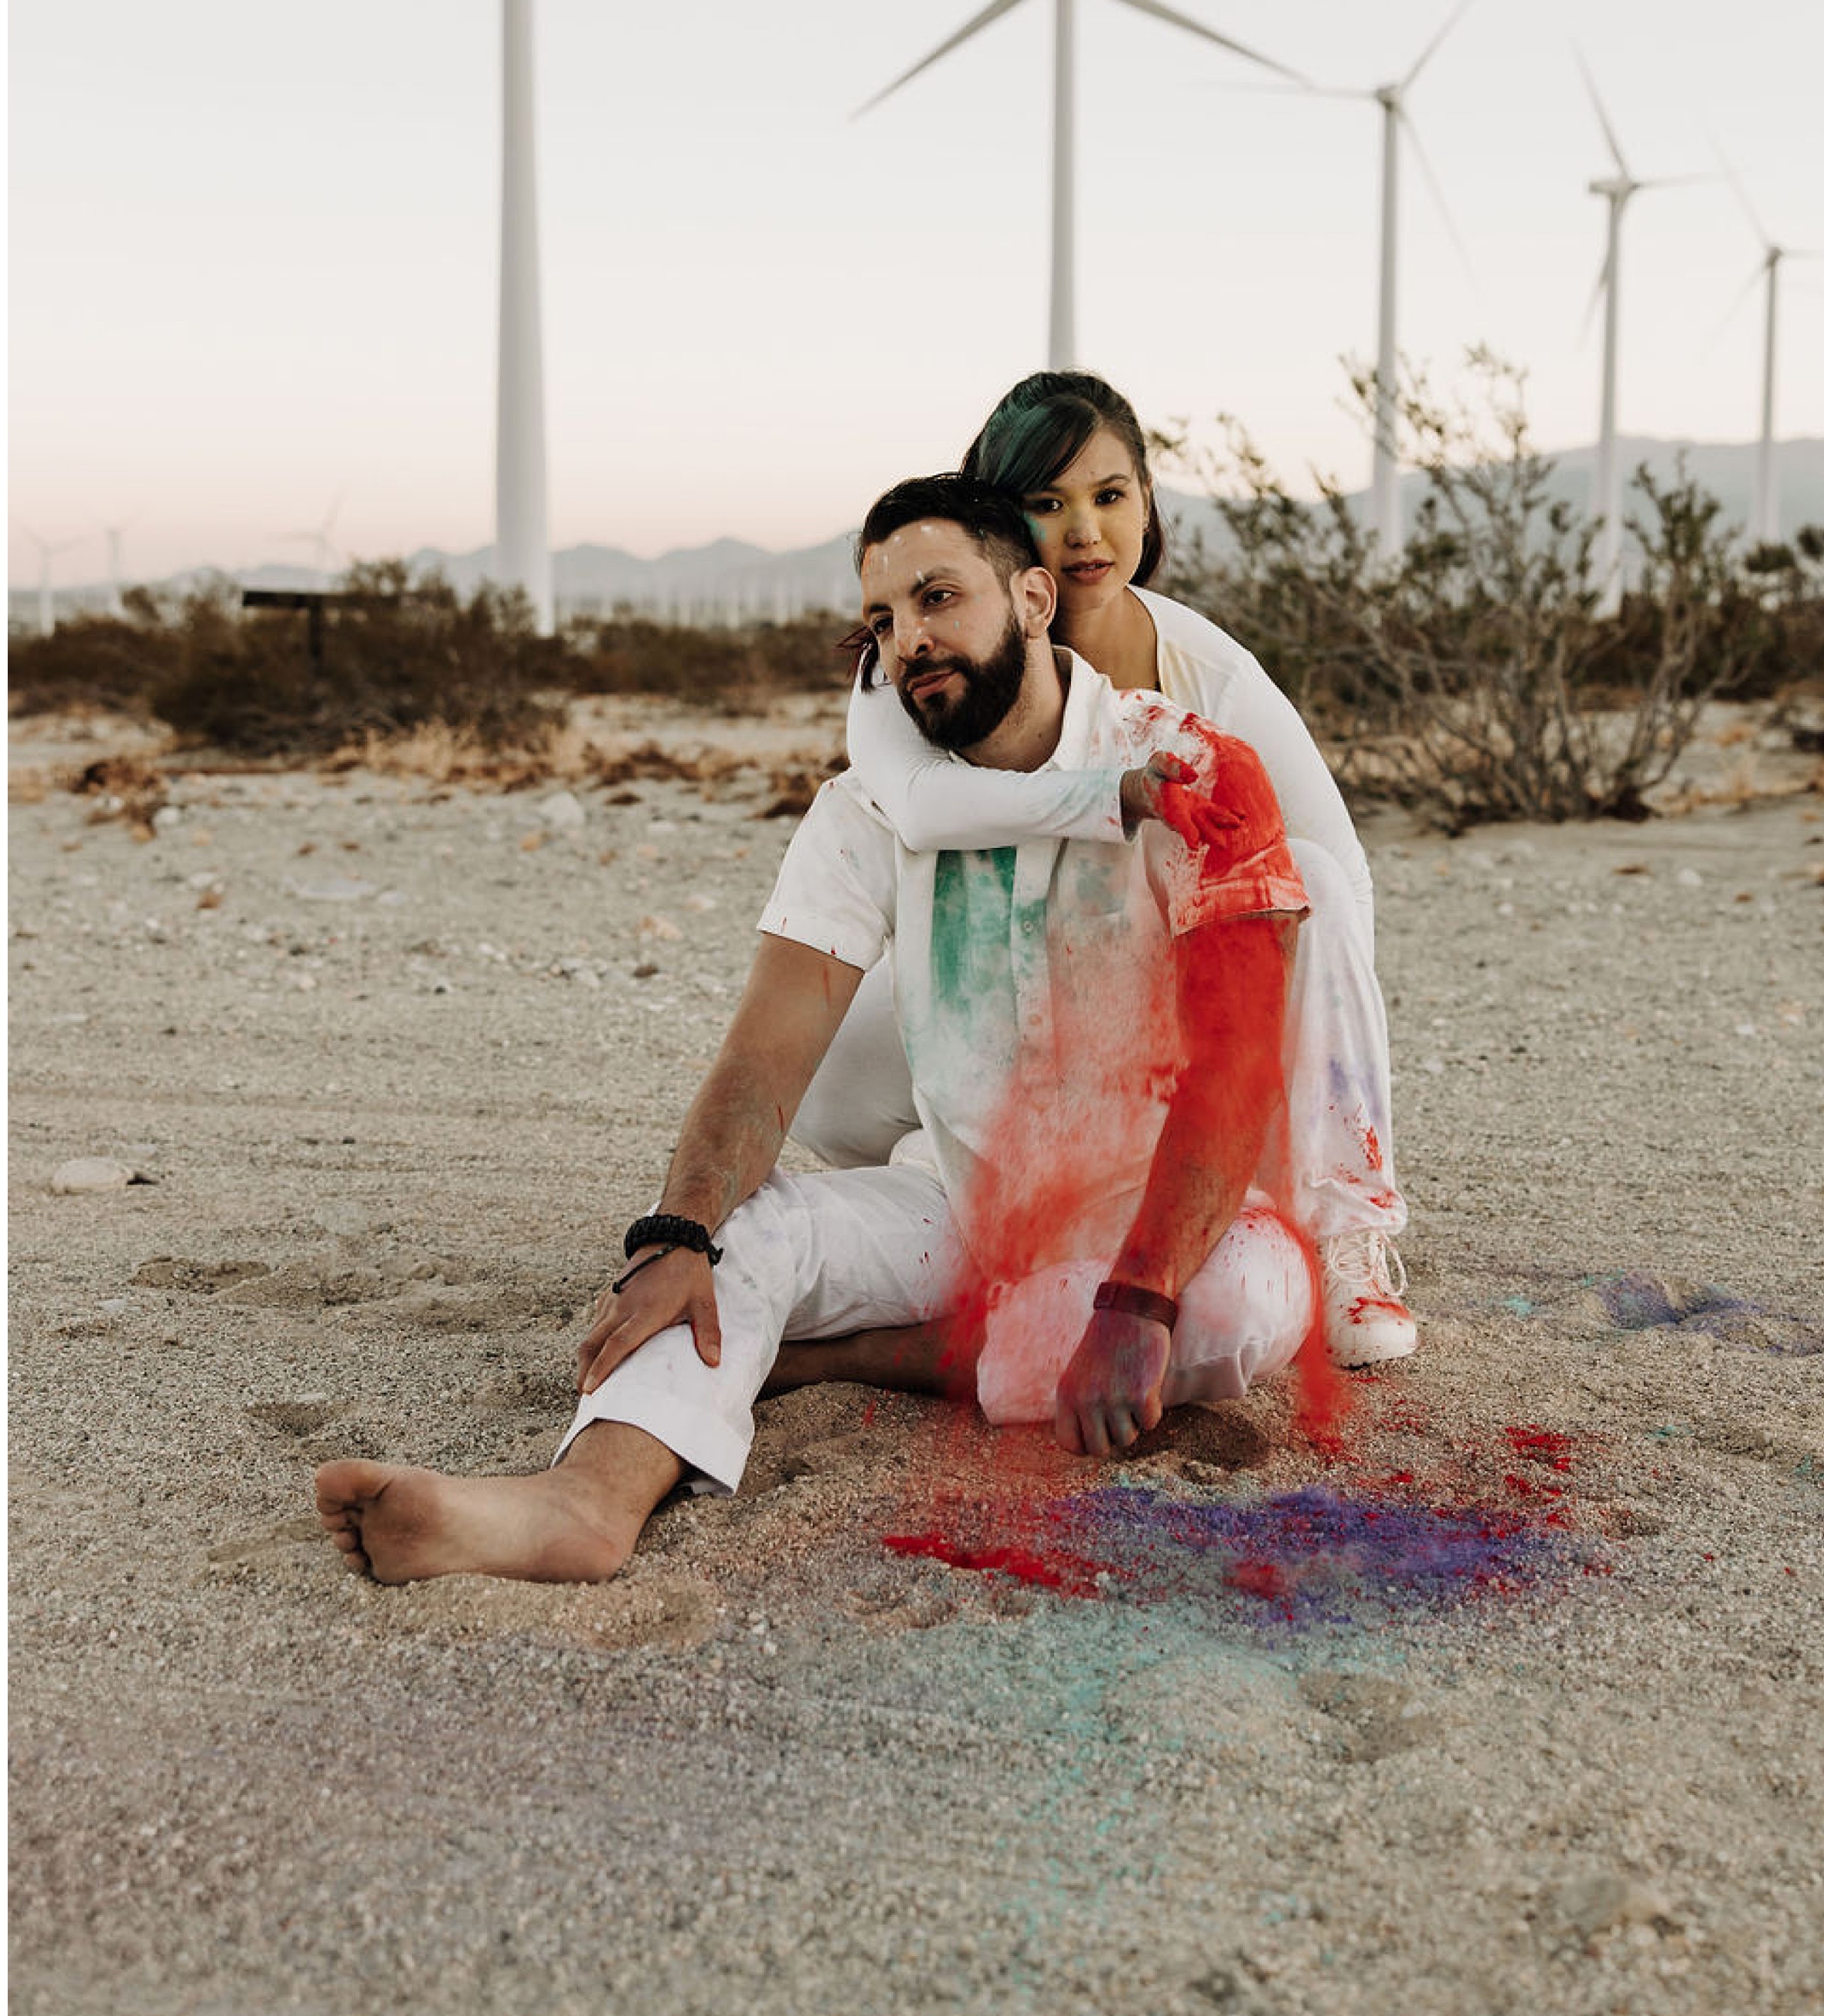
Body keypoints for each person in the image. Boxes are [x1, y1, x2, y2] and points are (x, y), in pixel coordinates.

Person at [315, 474, 1328, 1586]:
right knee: (738, 1237)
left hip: (1168, 1217)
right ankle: (583, 1500)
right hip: (961, 1196)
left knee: (1243, 1306)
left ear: (1035, 599)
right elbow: (767, 1051)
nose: (911, 642)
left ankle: (833, 1359)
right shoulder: (867, 812)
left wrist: (1139, 1299)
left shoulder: (1195, 772)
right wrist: (680, 1232)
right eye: (885, 620)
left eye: (940, 598)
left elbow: (1239, 1072)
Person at [795, 369, 1414, 1367]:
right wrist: (1103, 799)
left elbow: (1338, 876)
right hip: (992, 979)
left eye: (1110, 497)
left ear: (1148, 507)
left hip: (1159, 973)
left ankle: (1346, 1235)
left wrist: (1259, 1046)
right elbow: (916, 805)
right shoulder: (910, 661)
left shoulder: (1206, 674)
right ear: (1000, 526)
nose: (1084, 530)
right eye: (1047, 503)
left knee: (1320, 881)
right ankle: (962, 1187)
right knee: (822, 1068)